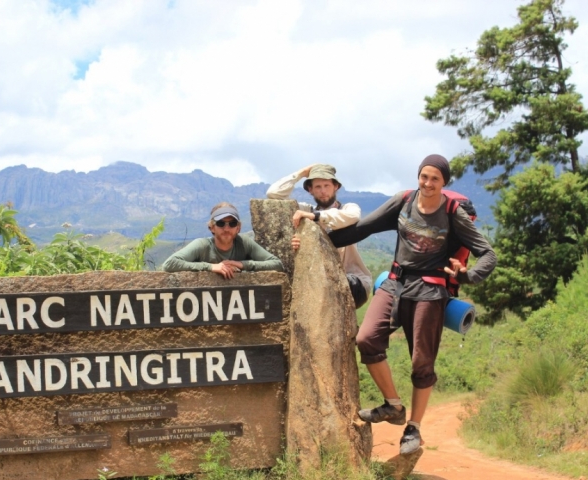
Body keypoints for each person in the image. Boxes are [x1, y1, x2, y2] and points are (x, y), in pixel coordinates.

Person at [328, 154, 496, 455]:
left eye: (434, 178)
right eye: (424, 176)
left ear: (444, 182)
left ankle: (414, 428)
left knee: (421, 360)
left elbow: (488, 254)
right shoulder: (403, 201)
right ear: (418, 176)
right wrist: (321, 235)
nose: (427, 183)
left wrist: (468, 276)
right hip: (395, 282)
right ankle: (393, 406)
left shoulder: (453, 213)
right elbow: (362, 228)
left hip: (431, 291)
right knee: (367, 339)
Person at [266, 164, 372, 308]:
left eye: (326, 185)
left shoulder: (348, 209)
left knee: (331, 287)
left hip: (354, 282)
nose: (323, 191)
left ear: (336, 187)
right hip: (317, 281)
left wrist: (315, 216)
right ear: (310, 190)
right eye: (317, 187)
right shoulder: (305, 209)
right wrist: (301, 173)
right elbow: (273, 194)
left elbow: (352, 216)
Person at [162, 203, 284, 277]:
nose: (226, 228)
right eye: (221, 223)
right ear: (212, 227)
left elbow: (277, 264)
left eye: (232, 223)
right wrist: (211, 267)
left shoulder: (244, 243)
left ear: (238, 228)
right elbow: (169, 264)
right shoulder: (202, 245)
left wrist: (242, 264)